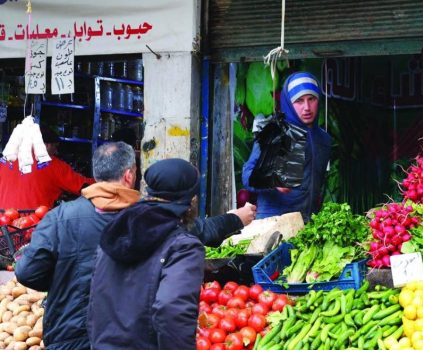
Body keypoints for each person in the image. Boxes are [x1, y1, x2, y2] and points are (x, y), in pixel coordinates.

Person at [15, 142, 255, 350]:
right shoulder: (144, 221)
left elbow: (28, 272)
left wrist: (64, 279)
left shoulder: (61, 217)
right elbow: (171, 309)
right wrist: (235, 218)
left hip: (71, 333)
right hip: (125, 335)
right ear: (129, 176)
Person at [87, 158, 203, 348]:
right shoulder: (183, 246)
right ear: (192, 200)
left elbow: (94, 296)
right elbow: (172, 311)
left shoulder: (115, 231)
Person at [242, 71, 332, 222]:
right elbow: (247, 175)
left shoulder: (323, 140)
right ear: (289, 103)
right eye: (299, 101)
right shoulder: (275, 132)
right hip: (273, 222)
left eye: (312, 99)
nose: (307, 107)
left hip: (306, 223)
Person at [0, 126, 94, 209]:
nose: (56, 152)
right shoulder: (53, 164)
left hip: (3, 224)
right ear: (46, 145)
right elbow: (84, 187)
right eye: (55, 147)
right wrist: (105, 181)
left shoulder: (5, 160)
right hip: (34, 225)